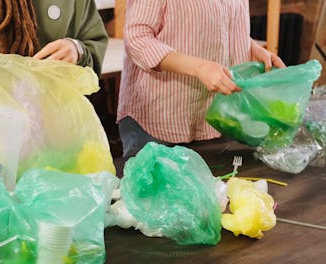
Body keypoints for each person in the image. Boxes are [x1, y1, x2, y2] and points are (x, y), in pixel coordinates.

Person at [117, 0, 286, 158]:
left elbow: (219, 21)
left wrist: (251, 47)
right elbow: (137, 38)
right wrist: (199, 68)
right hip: (159, 118)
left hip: (213, 115)